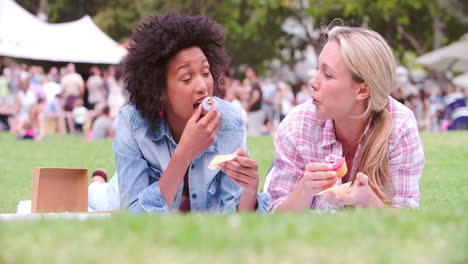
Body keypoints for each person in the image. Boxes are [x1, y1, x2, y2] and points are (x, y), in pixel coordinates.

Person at [88, 12, 269, 214]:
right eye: (186, 78)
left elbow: (231, 211)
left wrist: (250, 190)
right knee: (97, 196)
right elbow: (135, 215)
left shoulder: (230, 121)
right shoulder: (133, 123)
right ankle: (98, 180)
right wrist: (184, 153)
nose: (202, 86)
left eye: (206, 72)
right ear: (159, 91)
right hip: (118, 194)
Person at [266, 25, 424, 212]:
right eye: (318, 69)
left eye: (328, 74)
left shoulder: (400, 126)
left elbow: (407, 220)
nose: (313, 82)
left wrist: (369, 201)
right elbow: (275, 216)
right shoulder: (296, 125)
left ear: (363, 90)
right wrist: (304, 190)